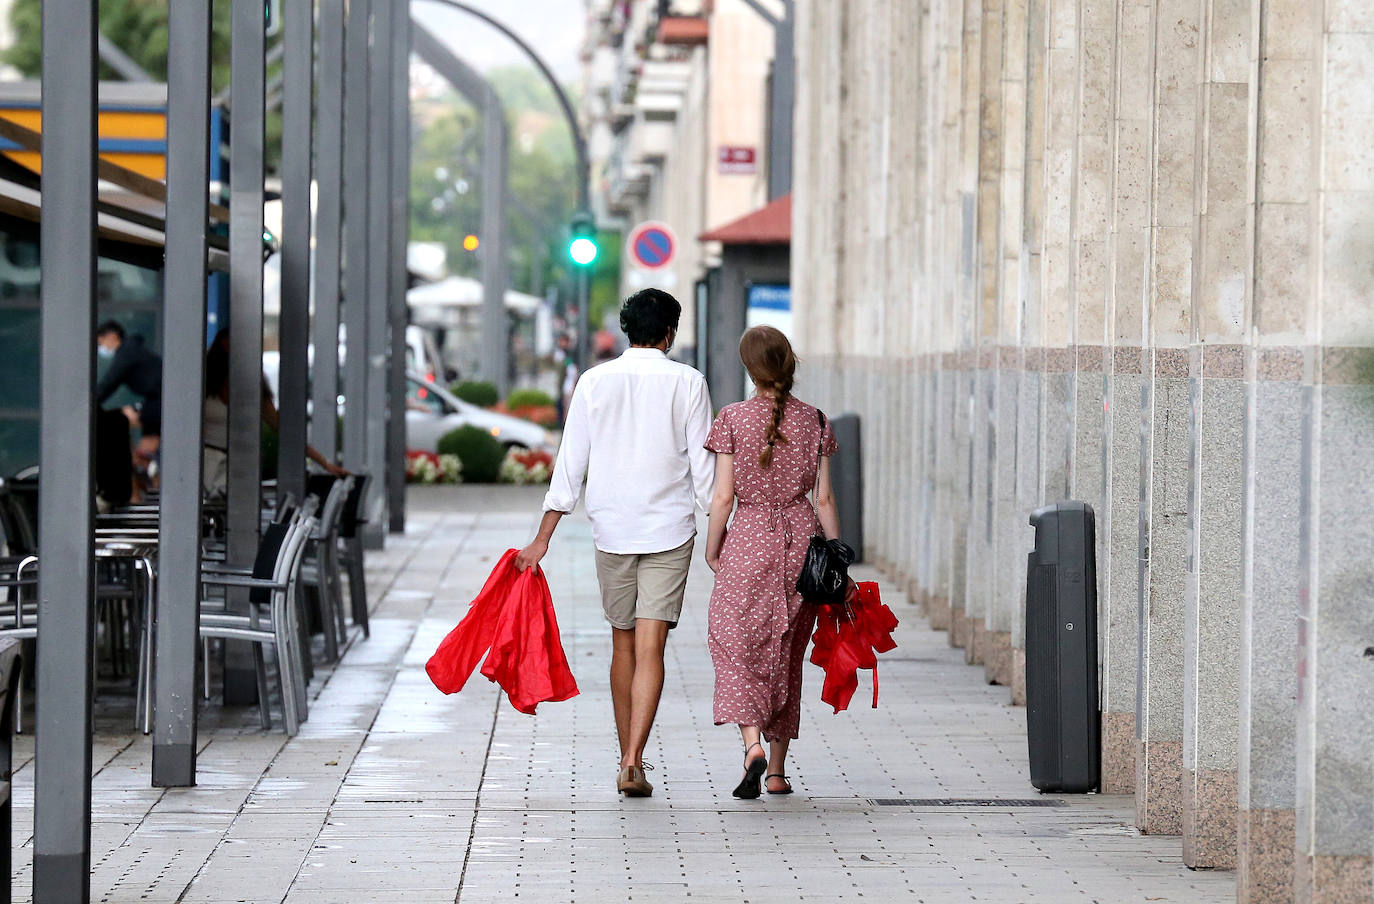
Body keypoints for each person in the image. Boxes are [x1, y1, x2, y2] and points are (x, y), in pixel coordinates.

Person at [515, 289, 716, 798]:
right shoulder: (689, 383)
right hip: (670, 531)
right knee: (653, 645)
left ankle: (628, 756)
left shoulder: (592, 381)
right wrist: (724, 532)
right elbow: (705, 474)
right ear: (670, 333)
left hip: (613, 530)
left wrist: (542, 539)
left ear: (627, 330)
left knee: (622, 642)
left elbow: (570, 465)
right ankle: (633, 759)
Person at [703, 325, 844, 799]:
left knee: (735, 644)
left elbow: (723, 496)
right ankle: (779, 772)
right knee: (786, 653)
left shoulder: (731, 419)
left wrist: (712, 545)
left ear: (749, 368)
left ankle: (751, 745)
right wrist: (836, 557)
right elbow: (823, 499)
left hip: (747, 542)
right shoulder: (818, 422)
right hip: (802, 546)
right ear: (789, 364)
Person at [203, 330, 346, 497]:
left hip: (238, 465)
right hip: (211, 463)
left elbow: (285, 431)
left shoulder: (253, 390)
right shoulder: (207, 386)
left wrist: (324, 463)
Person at [96, 320, 163, 461]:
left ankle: (129, 463)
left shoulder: (126, 353)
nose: (101, 348)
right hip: (156, 402)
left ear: (112, 336)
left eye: (101, 343)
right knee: (148, 445)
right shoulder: (132, 349)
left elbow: (110, 382)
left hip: (160, 402)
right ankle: (147, 473)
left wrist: (90, 404)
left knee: (121, 417)